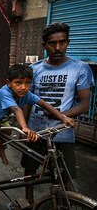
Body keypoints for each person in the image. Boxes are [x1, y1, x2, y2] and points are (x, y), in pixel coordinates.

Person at [19, 22, 95, 207]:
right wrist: (24, 127)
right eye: (53, 43)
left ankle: (67, 204)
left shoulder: (80, 68)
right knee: (30, 170)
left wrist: (61, 115)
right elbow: (27, 100)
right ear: (44, 45)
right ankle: (29, 202)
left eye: (62, 42)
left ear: (68, 42)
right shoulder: (34, 69)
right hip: (35, 131)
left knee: (65, 175)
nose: (58, 47)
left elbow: (84, 104)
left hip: (62, 131)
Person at [0, 64, 75, 170]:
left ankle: (1, 149)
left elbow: (43, 104)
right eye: (18, 83)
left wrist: (63, 118)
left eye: (27, 83)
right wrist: (25, 128)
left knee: (7, 133)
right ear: (9, 83)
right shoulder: (5, 93)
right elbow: (17, 109)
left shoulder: (27, 94)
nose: (23, 87)